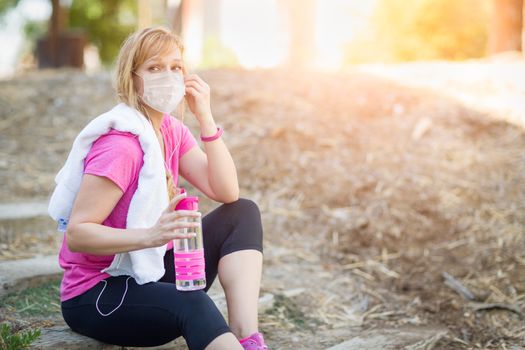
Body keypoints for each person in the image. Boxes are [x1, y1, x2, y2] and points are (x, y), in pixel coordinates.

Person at [58, 26, 267, 350]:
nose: (168, 76)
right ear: (133, 77)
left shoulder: (170, 130)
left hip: (150, 271)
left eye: (175, 67)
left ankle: (248, 340)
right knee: (194, 303)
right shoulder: (122, 147)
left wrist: (206, 118)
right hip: (98, 293)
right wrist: (152, 236)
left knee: (242, 213)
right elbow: (78, 233)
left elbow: (227, 192)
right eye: (154, 68)